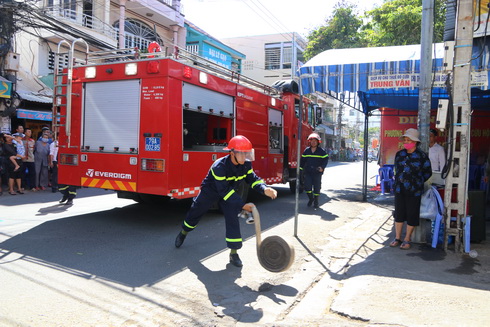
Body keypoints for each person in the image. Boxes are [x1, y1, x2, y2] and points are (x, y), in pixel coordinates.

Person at [174, 135, 278, 267]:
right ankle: (184, 232)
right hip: (211, 191)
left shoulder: (245, 164)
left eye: (247, 153)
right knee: (196, 211)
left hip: (229, 191)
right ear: (232, 153)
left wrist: (264, 189)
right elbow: (224, 191)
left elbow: (253, 179)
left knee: (232, 217)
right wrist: (242, 205)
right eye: (242, 154)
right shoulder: (220, 167)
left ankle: (233, 253)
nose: (245, 156)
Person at [390, 128, 432, 250]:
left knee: (412, 214)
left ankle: (407, 238)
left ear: (415, 142)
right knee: (399, 213)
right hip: (399, 189)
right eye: (405, 140)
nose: (406, 142)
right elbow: (396, 170)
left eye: (409, 140)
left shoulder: (422, 156)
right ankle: (397, 238)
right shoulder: (400, 154)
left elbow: (427, 172)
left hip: (414, 190)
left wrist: (417, 182)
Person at [300, 133, 329, 208]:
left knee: (317, 187)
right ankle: (311, 198)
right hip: (308, 172)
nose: (313, 142)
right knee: (307, 187)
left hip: (317, 172)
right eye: (312, 141)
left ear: (318, 142)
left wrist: (322, 167)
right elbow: (302, 160)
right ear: (310, 142)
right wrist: (300, 169)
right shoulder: (307, 150)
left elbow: (325, 159)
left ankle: (316, 200)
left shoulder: (321, 151)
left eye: (315, 141)